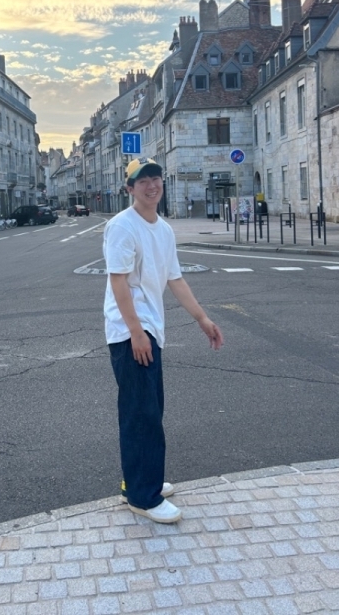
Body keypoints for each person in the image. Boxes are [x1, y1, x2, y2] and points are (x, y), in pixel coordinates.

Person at [103, 157, 224, 524]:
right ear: (130, 188)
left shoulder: (164, 229)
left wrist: (202, 318)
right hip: (130, 332)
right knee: (142, 415)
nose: (152, 185)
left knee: (149, 410)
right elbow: (118, 283)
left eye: (156, 178)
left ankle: (138, 483)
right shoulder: (122, 226)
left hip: (149, 330)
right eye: (143, 181)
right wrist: (136, 332)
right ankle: (143, 497)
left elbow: (175, 279)